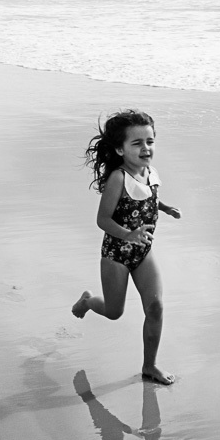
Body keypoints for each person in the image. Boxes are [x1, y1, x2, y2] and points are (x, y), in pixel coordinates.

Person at [72, 110, 181, 384]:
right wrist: (128, 235)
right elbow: (102, 220)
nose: (146, 148)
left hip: (143, 253)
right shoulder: (117, 179)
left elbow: (148, 197)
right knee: (114, 312)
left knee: (155, 307)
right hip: (116, 255)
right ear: (120, 149)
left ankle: (150, 366)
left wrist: (164, 207)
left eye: (150, 141)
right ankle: (87, 301)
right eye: (137, 143)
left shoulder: (151, 172)